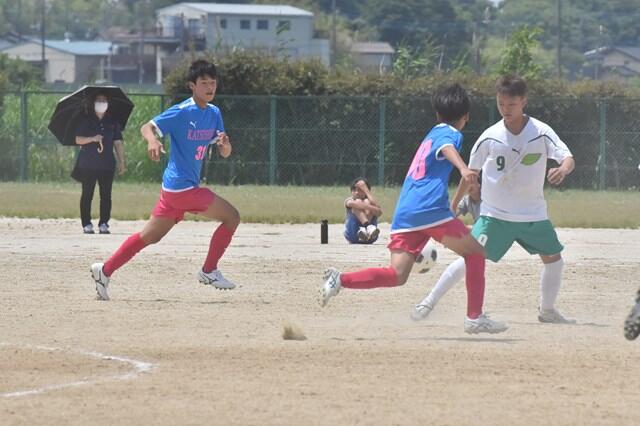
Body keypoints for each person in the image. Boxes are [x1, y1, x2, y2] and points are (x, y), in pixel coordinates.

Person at [319, 83, 508, 335]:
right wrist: (463, 168)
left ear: (437, 114)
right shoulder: (451, 133)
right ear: (466, 116)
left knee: (397, 274)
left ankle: (340, 280)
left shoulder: (432, 133)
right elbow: (447, 148)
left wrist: (453, 205)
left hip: (406, 212)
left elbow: (441, 152)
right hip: (429, 208)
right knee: (475, 253)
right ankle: (475, 317)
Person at [419, 74, 575, 325]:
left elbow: (567, 158)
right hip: (496, 216)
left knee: (554, 260)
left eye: (511, 104)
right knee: (470, 259)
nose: (505, 109)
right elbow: (470, 174)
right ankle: (428, 302)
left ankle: (547, 311)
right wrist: (453, 206)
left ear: (524, 101)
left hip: (533, 214)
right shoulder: (490, 136)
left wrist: (563, 170)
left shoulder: (541, 132)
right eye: (501, 104)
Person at [89, 59, 240, 301]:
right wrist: (153, 140)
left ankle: (104, 270)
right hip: (182, 188)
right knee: (232, 217)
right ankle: (209, 270)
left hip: (174, 190)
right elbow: (146, 127)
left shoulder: (214, 113)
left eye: (213, 83)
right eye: (204, 83)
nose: (210, 87)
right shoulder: (182, 111)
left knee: (150, 236)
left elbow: (225, 152)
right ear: (192, 85)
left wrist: (225, 145)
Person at [411, 176, 481, 321]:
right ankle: (428, 303)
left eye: (473, 182)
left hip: (499, 230)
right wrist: (449, 232)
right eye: (466, 183)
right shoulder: (467, 200)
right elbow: (450, 216)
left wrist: (460, 234)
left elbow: (485, 227)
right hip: (484, 235)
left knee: (469, 260)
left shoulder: (489, 199)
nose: (468, 186)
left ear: (481, 184)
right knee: (469, 261)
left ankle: (428, 303)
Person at [73, 92, 126, 234]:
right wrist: (92, 139)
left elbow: (118, 142)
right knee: (87, 194)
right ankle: (86, 223)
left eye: (104, 100)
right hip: (88, 164)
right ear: (93, 102)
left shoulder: (112, 121)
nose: (101, 102)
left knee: (106, 195)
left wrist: (122, 161)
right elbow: (78, 139)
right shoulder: (85, 119)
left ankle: (104, 223)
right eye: (98, 100)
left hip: (107, 164)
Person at [344, 177, 382, 244]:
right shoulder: (350, 200)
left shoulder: (371, 202)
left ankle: (366, 231)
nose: (356, 192)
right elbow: (351, 203)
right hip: (353, 235)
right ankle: (368, 227)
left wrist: (366, 191)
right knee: (357, 203)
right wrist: (372, 208)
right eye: (354, 190)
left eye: (360, 190)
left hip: (371, 237)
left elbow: (379, 213)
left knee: (367, 201)